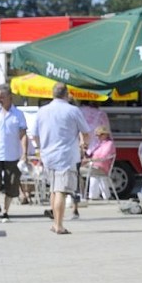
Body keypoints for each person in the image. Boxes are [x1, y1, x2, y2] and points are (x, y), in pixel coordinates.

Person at [34, 83, 90, 235]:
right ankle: (59, 225)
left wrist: (41, 148)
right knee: (61, 191)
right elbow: (85, 132)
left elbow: (34, 134)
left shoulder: (42, 111)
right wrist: (85, 145)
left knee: (53, 189)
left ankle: (54, 223)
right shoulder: (73, 110)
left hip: (48, 156)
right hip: (66, 155)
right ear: (67, 94)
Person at [0, 83, 28, 222]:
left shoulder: (18, 114)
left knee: (12, 183)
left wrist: (24, 153)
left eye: (2, 97)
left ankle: (6, 212)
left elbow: (23, 135)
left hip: (13, 154)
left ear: (10, 97)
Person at [83, 126, 116, 200]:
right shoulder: (99, 144)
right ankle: (95, 195)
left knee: (79, 171)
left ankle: (85, 195)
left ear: (105, 135)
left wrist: (89, 160)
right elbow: (90, 154)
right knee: (92, 174)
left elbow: (103, 157)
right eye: (97, 135)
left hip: (102, 167)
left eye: (100, 135)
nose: (98, 137)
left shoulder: (109, 144)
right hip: (95, 166)